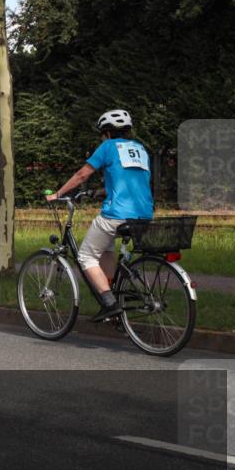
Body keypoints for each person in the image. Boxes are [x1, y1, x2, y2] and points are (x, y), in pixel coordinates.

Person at [45, 109, 153, 322]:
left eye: (102, 134)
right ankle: (111, 291)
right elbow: (132, 182)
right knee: (106, 248)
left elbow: (82, 174)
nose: (102, 138)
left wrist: (58, 194)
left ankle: (110, 304)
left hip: (118, 215)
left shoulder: (108, 146)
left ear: (108, 133)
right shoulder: (140, 149)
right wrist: (101, 192)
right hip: (144, 214)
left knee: (86, 256)